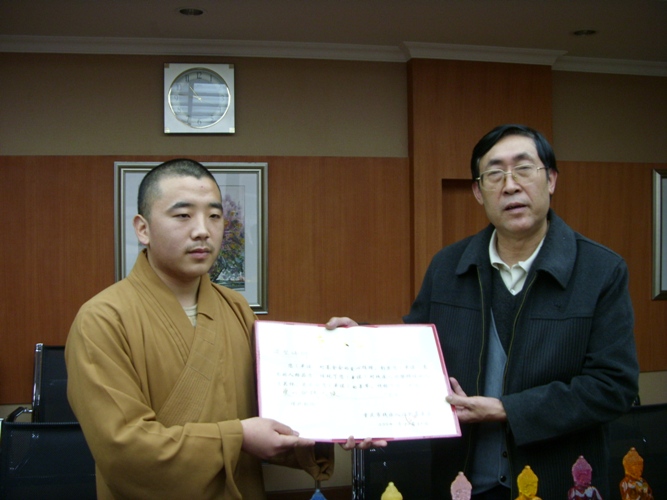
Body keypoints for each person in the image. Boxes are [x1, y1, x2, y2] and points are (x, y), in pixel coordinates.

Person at [327, 124, 639, 499]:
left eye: (523, 168)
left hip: (558, 481)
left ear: (551, 180)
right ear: (478, 191)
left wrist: (508, 409)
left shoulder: (600, 270)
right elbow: (413, 358)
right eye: (494, 174)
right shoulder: (448, 266)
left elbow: (613, 387)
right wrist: (358, 346)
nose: (510, 185)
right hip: (461, 482)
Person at [66, 159, 375, 499]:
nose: (202, 230)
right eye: (183, 215)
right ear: (143, 229)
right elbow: (122, 451)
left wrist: (340, 377)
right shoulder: (103, 319)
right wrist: (237, 437)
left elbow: (276, 411)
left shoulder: (236, 309)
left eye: (214, 216)